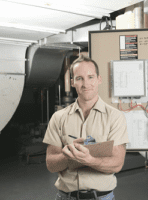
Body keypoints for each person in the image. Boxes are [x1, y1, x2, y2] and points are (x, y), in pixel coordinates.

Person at [43, 55, 129, 200]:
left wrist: (89, 160)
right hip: (66, 197)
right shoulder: (58, 118)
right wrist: (68, 156)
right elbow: (51, 164)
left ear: (99, 79)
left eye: (90, 77)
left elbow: (117, 164)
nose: (86, 84)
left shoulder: (115, 117)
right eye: (79, 78)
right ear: (72, 82)